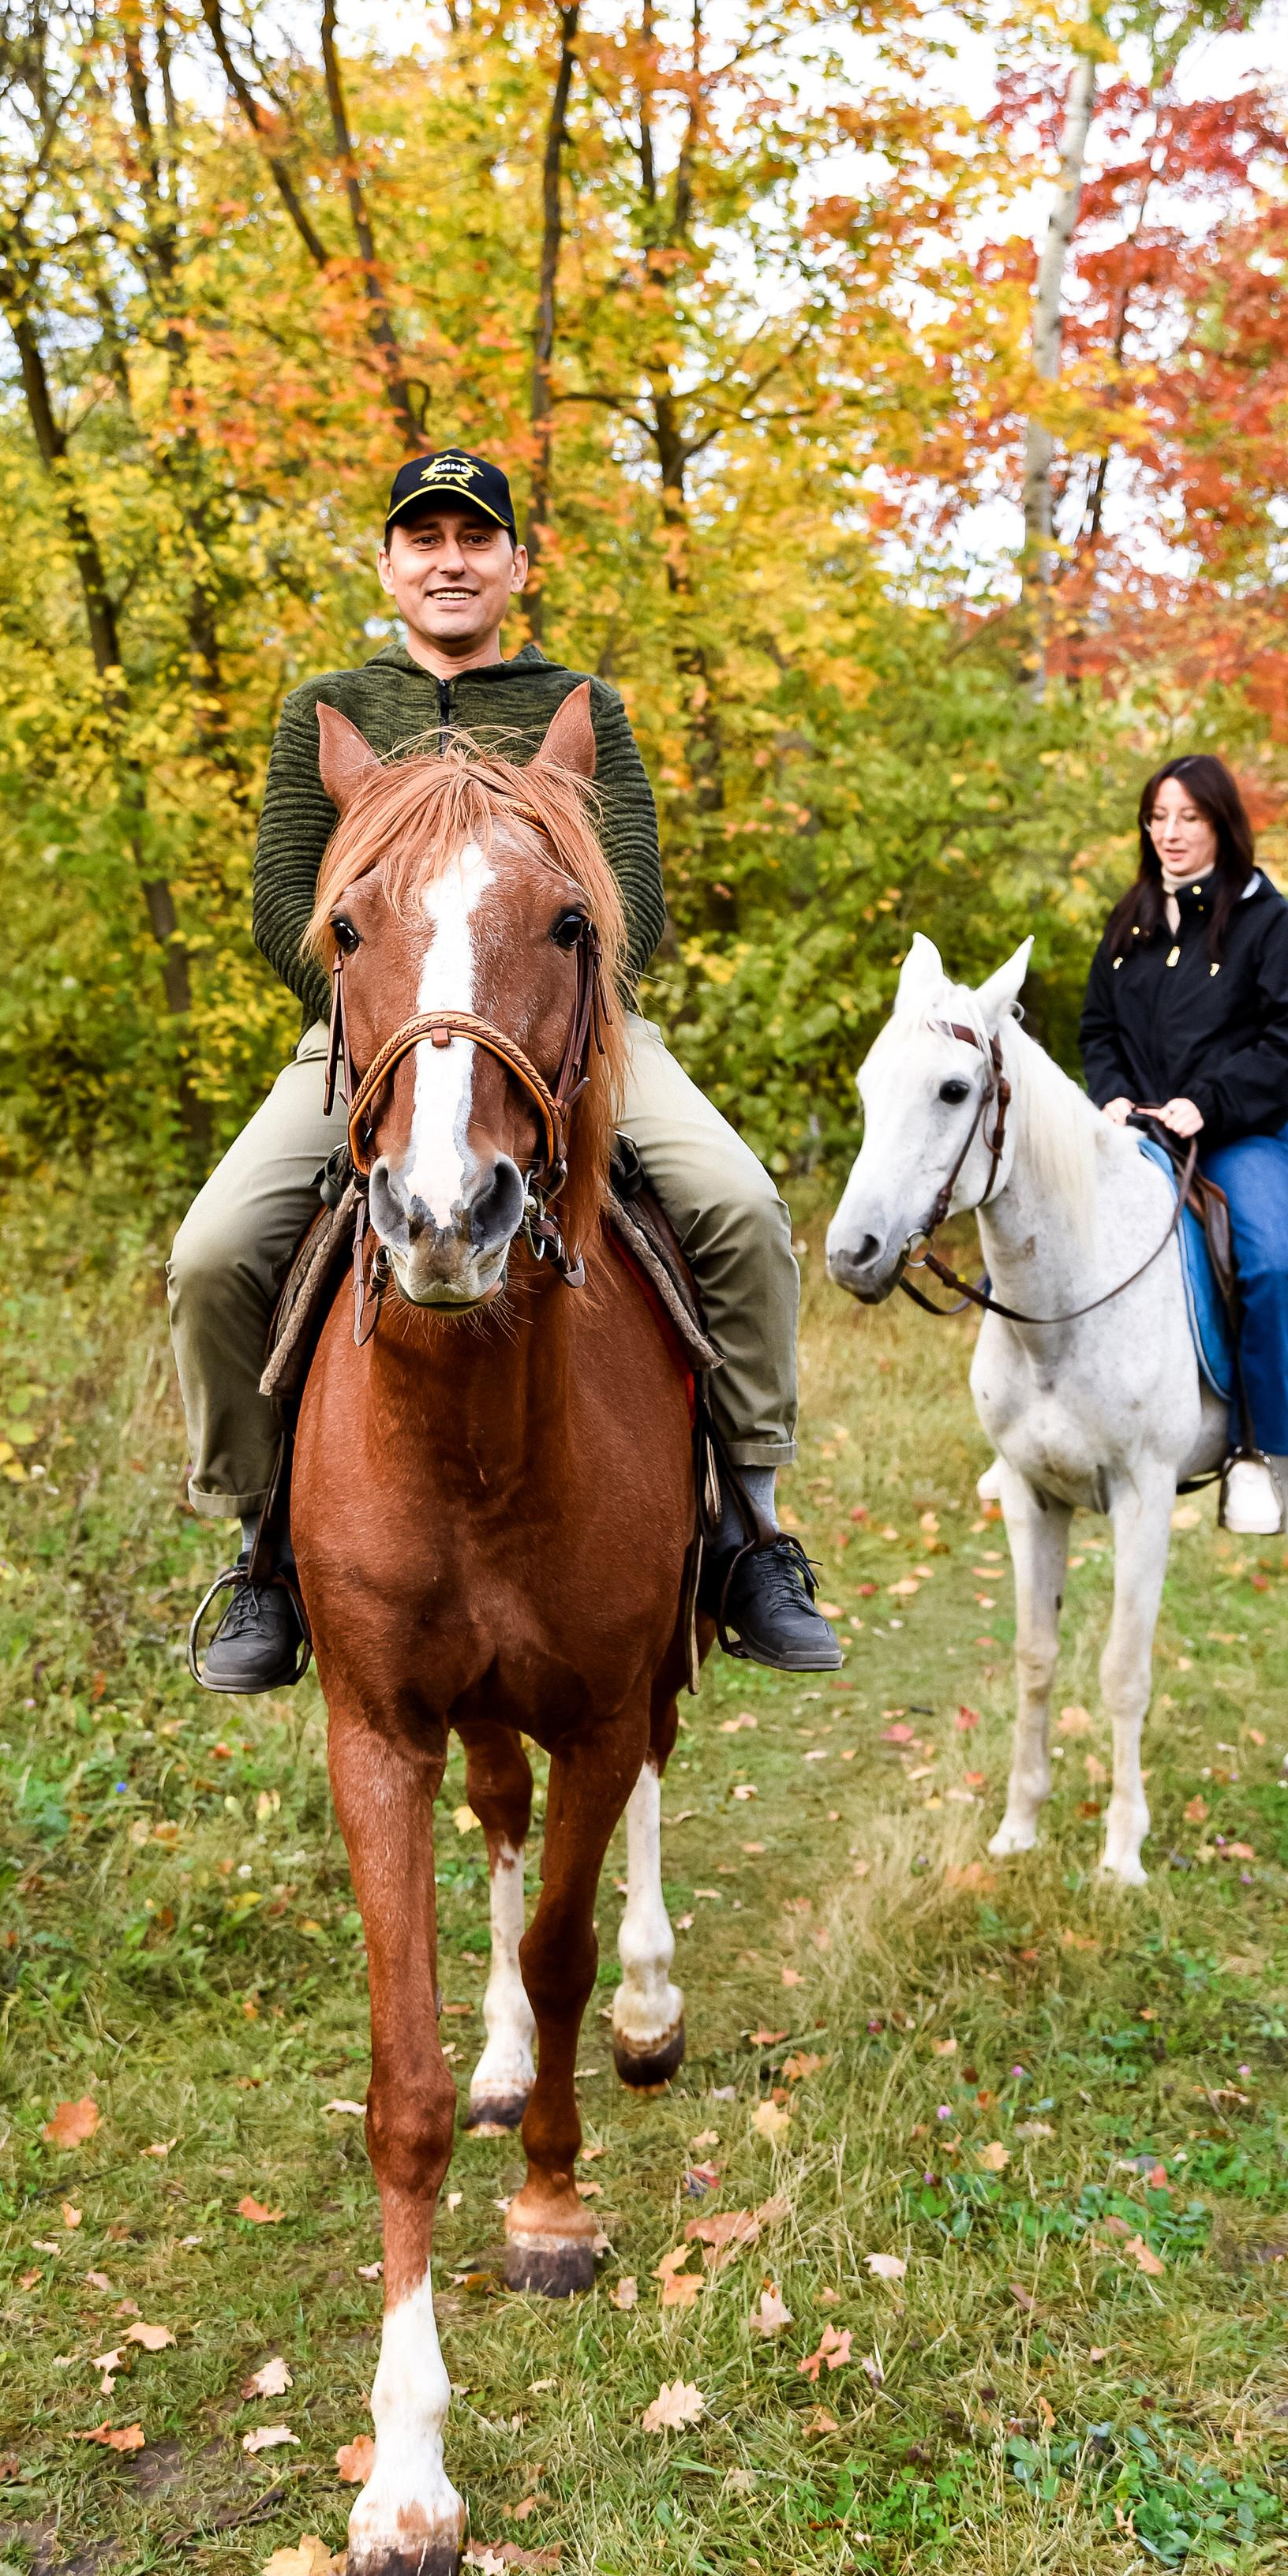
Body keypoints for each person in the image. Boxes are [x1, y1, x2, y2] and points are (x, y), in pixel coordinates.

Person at [167, 447, 841, 1685]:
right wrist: (398, 1014)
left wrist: (516, 1011)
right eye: (422, 540)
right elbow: (280, 899)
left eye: (474, 539)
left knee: (741, 1209)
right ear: (387, 566)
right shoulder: (326, 706)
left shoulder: (580, 705)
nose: (449, 560)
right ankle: (257, 1550)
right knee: (212, 1252)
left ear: (515, 566)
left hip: (566, 1033)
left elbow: (627, 892)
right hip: (365, 1042)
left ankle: (751, 1525)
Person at [1078, 753, 1288, 1535]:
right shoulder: (1130, 921)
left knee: (1274, 1265)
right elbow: (1099, 1028)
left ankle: (1258, 1453)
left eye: (1188, 818)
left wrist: (1205, 1104)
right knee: (1043, 1231)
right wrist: (1112, 1095)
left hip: (1237, 1136)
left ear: (1221, 824)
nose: (1170, 834)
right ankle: (1041, 1430)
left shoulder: (1268, 920)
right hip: (1134, 1133)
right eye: (1158, 818)